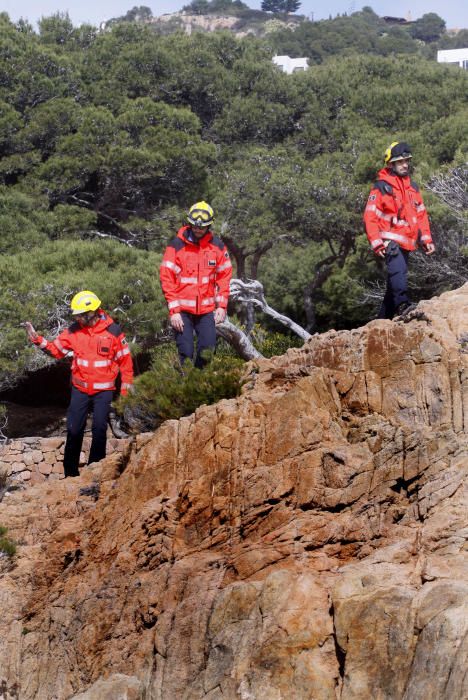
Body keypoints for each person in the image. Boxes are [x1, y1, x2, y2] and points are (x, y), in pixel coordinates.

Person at [25, 290, 133, 478]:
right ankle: (70, 474)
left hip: (104, 391)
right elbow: (56, 350)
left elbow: (125, 361)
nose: (78, 319)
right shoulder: (74, 331)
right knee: (74, 429)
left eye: (80, 315)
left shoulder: (113, 331)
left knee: (100, 428)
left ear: (92, 312)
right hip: (80, 389)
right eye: (76, 315)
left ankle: (95, 470)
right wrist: (37, 339)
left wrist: (126, 389)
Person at [363, 141, 435, 319]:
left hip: (407, 242)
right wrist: (377, 242)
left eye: (406, 161)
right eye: (400, 162)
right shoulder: (381, 187)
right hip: (390, 242)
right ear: (390, 164)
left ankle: (381, 321)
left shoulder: (412, 187)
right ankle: (403, 305)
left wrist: (426, 239)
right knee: (399, 273)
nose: (405, 165)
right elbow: (369, 216)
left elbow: (421, 215)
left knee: (393, 283)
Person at [160, 201, 232, 367]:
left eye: (202, 226)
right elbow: (166, 278)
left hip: (206, 311)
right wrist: (174, 311)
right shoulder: (176, 245)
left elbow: (224, 276)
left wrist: (222, 306)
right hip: (182, 312)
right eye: (195, 225)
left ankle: (199, 384)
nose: (198, 229)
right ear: (190, 223)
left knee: (208, 350)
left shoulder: (218, 247)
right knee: (186, 352)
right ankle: (184, 385)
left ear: (209, 225)